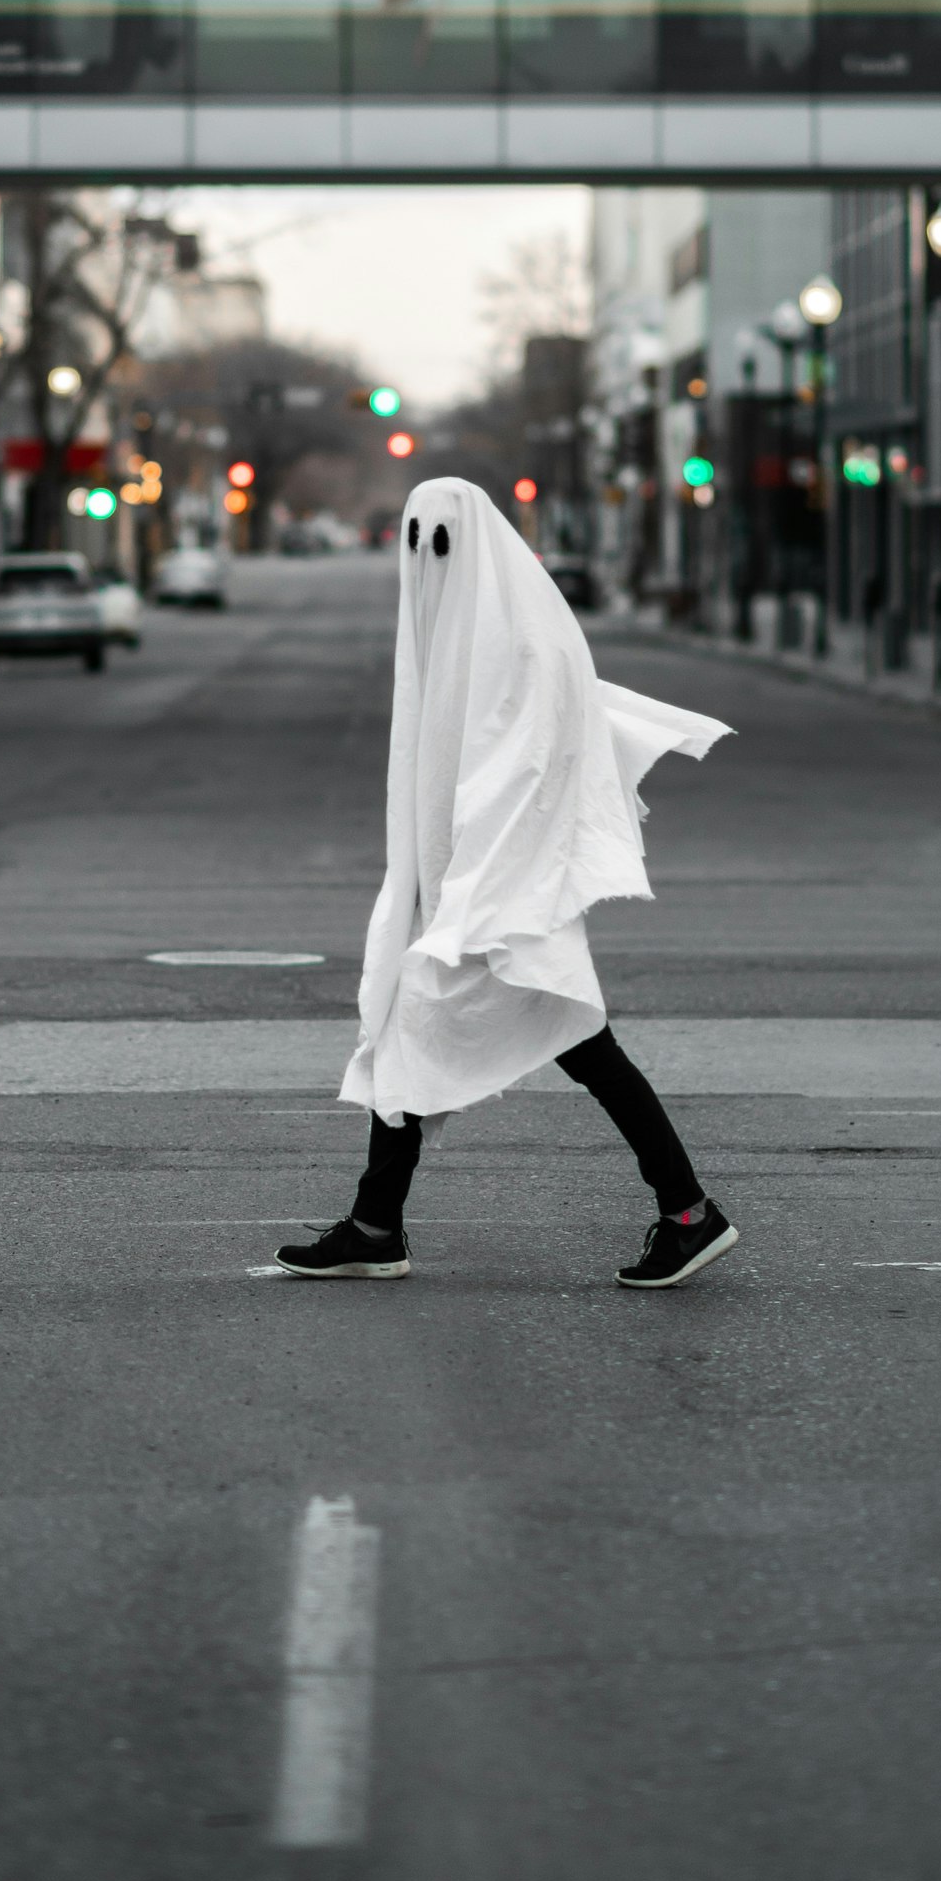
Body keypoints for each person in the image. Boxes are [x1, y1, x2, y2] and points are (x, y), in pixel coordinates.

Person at [276, 476, 739, 1291]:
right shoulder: (449, 634)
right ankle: (379, 1225)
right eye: (414, 541)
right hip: (460, 890)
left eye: (442, 541)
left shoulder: (526, 636)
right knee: (427, 1033)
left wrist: (480, 890)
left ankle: (687, 1212)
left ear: (478, 540)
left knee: (534, 1036)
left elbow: (534, 761)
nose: (428, 559)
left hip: (504, 895)